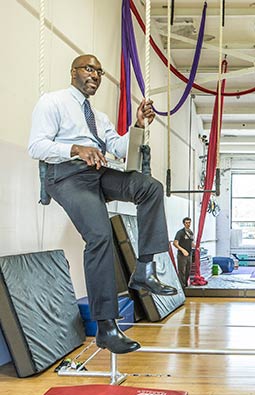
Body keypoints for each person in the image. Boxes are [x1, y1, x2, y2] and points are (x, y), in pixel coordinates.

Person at [28, 54, 178, 354]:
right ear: (73, 72)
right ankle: (107, 327)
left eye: (99, 71)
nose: (95, 75)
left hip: (97, 172)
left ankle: (144, 270)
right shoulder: (52, 102)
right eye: (89, 69)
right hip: (67, 175)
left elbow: (121, 150)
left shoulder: (100, 117)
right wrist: (75, 148)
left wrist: (138, 124)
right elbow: (36, 145)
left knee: (149, 188)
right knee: (99, 236)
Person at [173, 217, 194, 288]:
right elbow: (175, 243)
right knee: (182, 271)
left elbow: (191, 242)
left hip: (189, 254)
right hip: (182, 255)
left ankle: (185, 285)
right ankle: (182, 287)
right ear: (184, 224)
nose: (188, 224)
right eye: (186, 223)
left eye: (189, 223)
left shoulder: (191, 232)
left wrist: (196, 246)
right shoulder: (180, 233)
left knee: (188, 271)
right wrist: (182, 250)